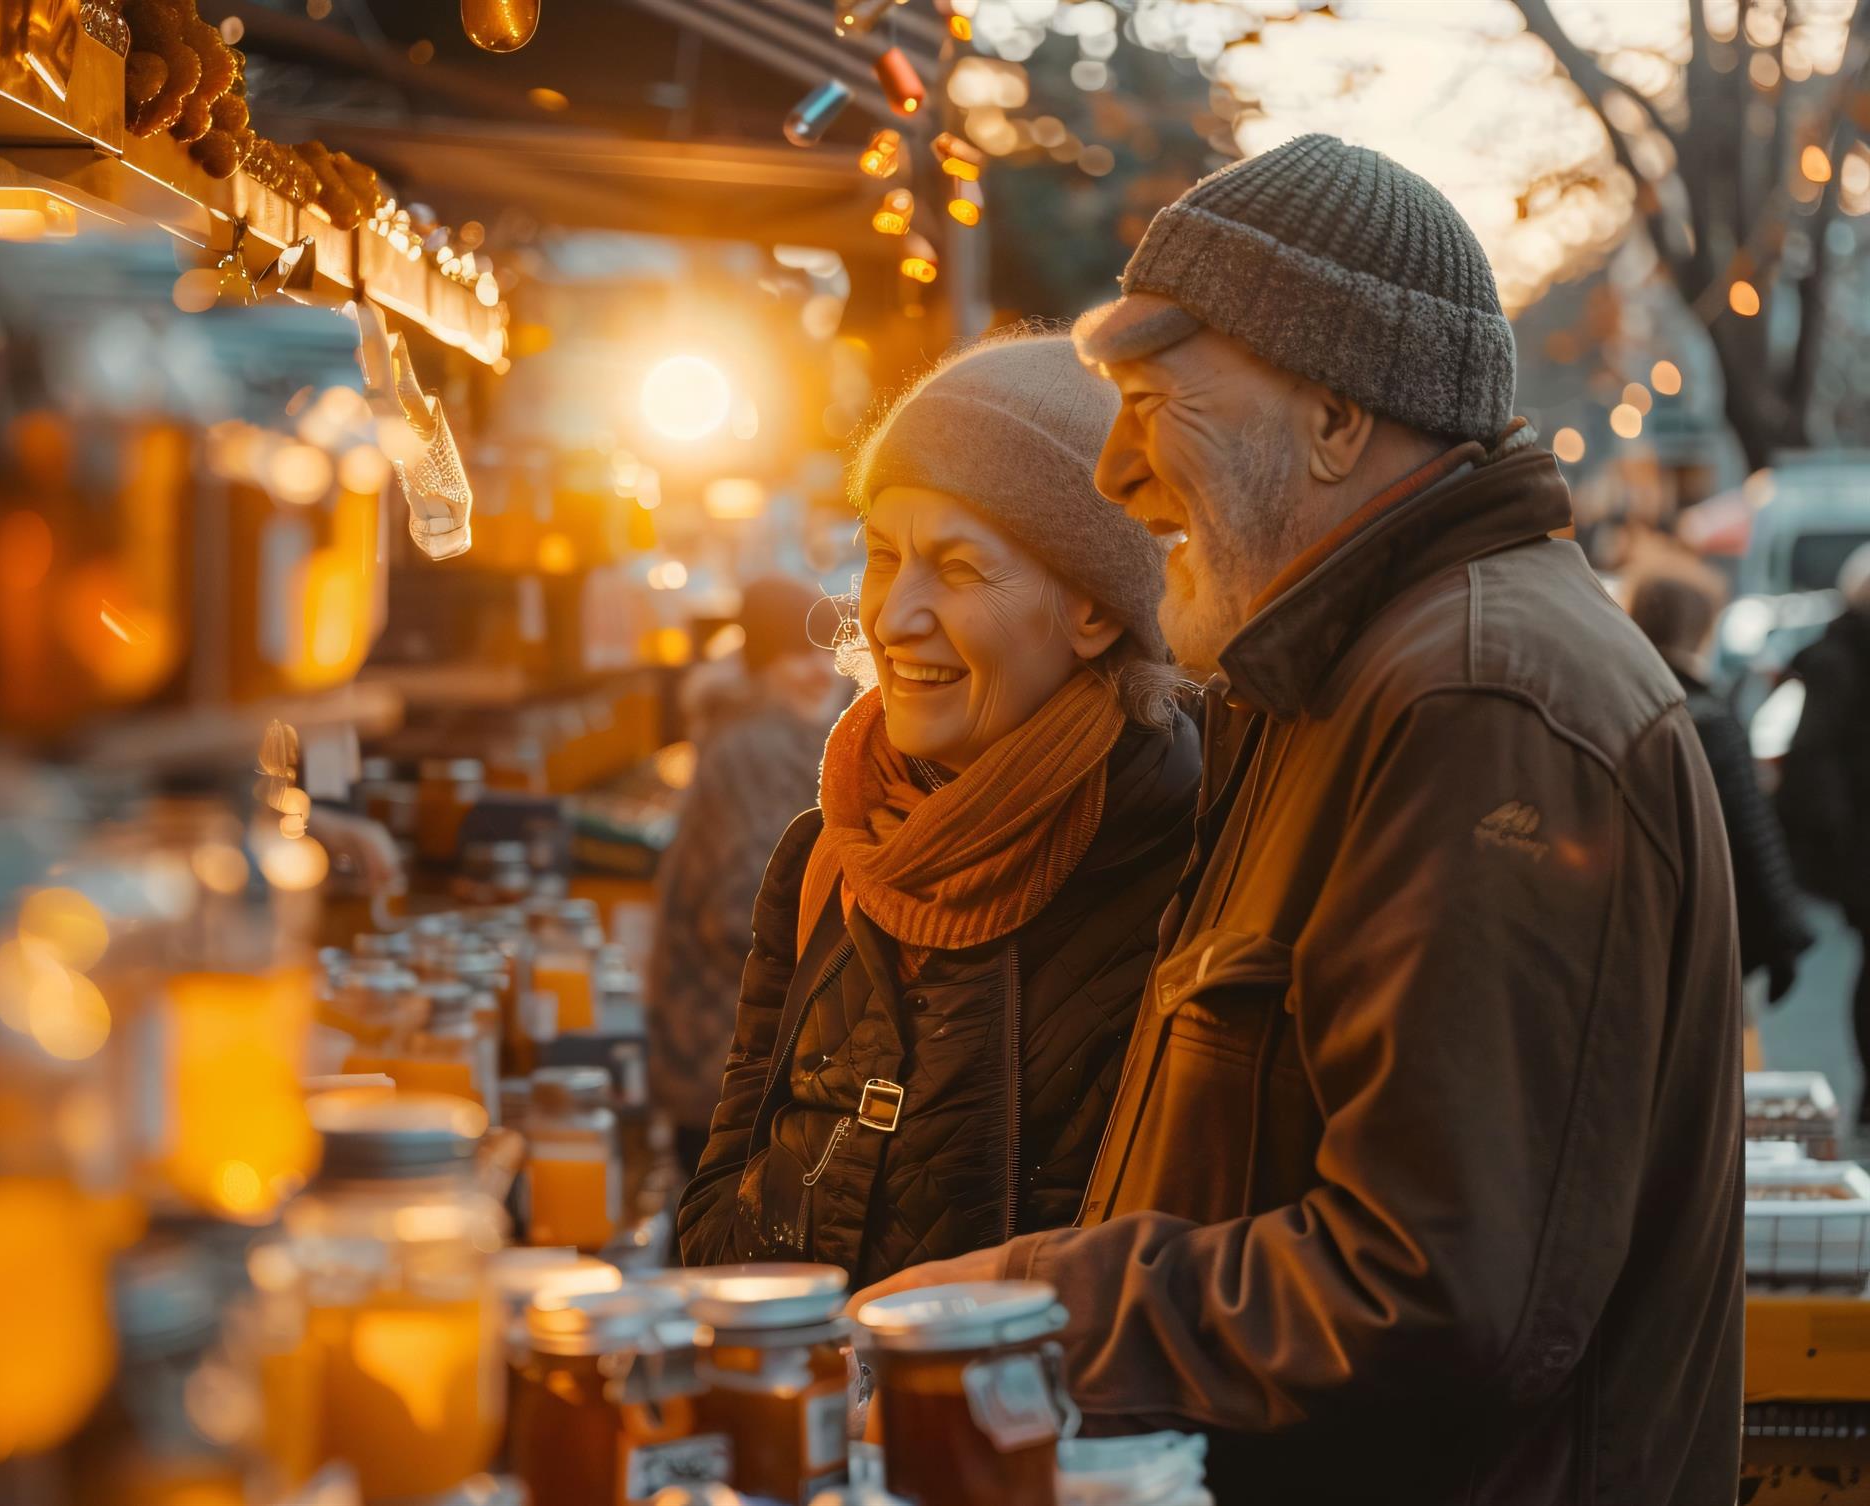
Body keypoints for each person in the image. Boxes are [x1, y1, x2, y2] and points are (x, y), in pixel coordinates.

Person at [853, 136, 1743, 1505]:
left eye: (1156, 402)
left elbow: (1433, 1292)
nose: (1116, 475)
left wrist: (1034, 1297)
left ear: (1338, 419)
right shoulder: (1327, 680)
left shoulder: (1474, 698)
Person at [676, 333, 1201, 1287]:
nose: (890, 616)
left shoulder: (1193, 872)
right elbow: (717, 1203)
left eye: (958, 569)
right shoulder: (824, 855)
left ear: (1094, 608)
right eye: (882, 557)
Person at [646, 577, 849, 1175]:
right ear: (762, 662)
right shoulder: (756, 746)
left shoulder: (794, 734)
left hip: (731, 1048)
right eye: (795, 653)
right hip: (727, 1052)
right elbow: (741, 912)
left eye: (826, 651)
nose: (817, 671)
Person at [1624, 555, 1814, 1003]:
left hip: (1629, 929)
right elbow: (1751, 835)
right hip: (1705, 936)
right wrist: (1784, 936)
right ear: (1700, 628)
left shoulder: (1615, 703)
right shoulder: (1705, 717)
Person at [1777, 541, 1870, 1125]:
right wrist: (1842, 841)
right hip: (1860, 845)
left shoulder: (1841, 656)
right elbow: (1814, 760)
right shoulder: (1843, 662)